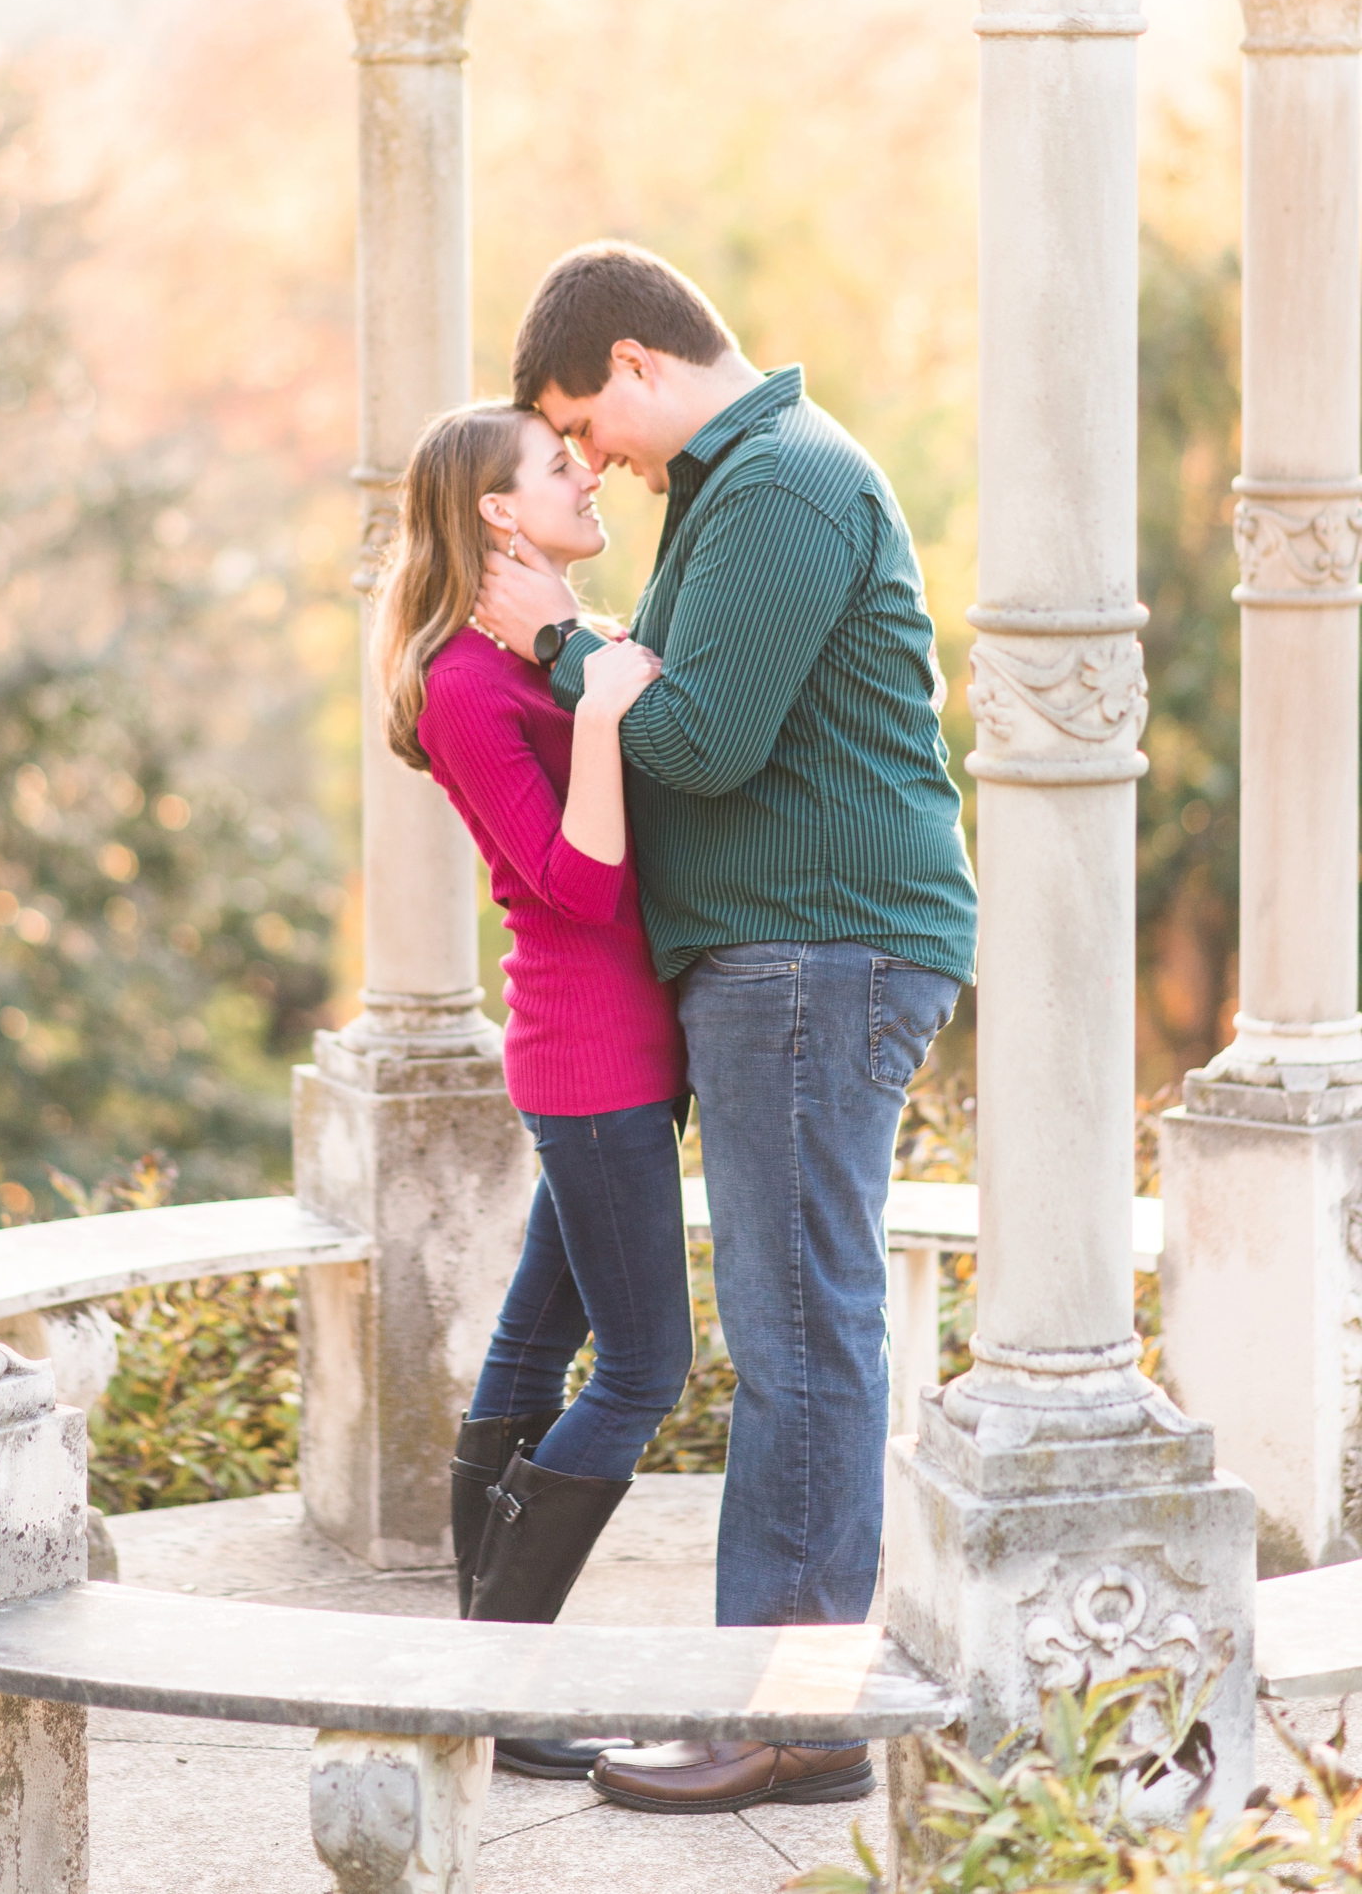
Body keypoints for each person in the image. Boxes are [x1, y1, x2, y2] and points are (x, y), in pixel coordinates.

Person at [476, 242, 978, 1818]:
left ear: (635, 363)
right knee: (794, 1326)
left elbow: (694, 734)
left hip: (816, 956)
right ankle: (781, 1700)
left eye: (583, 421)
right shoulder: (737, 488)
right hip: (783, 961)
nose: (592, 459)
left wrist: (560, 635)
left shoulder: (781, 485)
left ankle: (797, 1715)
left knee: (801, 1333)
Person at [371, 397, 694, 1783]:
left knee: (533, 1347)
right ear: (498, 511)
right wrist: (608, 716)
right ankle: (492, 1679)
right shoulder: (460, 685)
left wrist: (589, 658)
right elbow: (574, 886)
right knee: (644, 1365)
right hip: (591, 1053)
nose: (589, 472)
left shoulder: (545, 652)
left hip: (626, 1048)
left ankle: (485, 1679)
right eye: (558, 466)